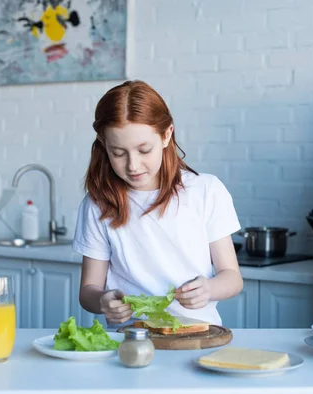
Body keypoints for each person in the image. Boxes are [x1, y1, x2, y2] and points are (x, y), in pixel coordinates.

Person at [73, 80, 243, 328]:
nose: (132, 165)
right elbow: (88, 291)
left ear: (166, 135)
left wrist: (208, 288)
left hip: (197, 333)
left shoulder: (205, 190)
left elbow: (232, 278)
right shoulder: (98, 204)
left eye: (144, 150)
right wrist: (102, 301)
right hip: (130, 337)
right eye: (118, 153)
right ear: (103, 143)